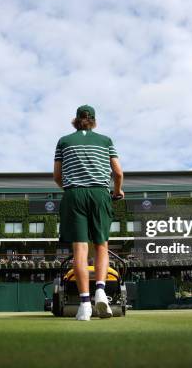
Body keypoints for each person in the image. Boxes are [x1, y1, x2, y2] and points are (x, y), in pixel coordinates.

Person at [53, 105, 124, 321]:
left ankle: (85, 304)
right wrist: (117, 191)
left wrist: (72, 189)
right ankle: (101, 290)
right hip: (100, 194)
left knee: (80, 249)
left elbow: (57, 176)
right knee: (101, 245)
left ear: (75, 120)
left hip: (74, 194)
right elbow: (118, 172)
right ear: (93, 121)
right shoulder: (106, 141)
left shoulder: (63, 141)